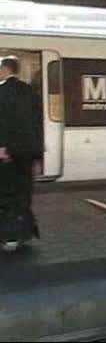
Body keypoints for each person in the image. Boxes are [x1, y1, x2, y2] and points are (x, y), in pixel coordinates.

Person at [0, 56, 43, 252]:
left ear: (5, 70)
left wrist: (2, 147)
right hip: (28, 152)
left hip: (8, 152)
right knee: (24, 193)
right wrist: (37, 156)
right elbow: (37, 125)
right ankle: (25, 233)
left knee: (7, 193)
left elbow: (3, 124)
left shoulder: (2, 93)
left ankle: (9, 236)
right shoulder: (31, 93)